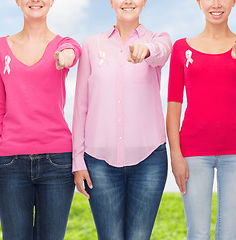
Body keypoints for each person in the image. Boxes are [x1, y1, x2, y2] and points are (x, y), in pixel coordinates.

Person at [0, 0, 81, 239]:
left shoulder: (63, 46)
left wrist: (68, 54)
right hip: (10, 163)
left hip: (57, 163)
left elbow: (73, 49)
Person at [72, 0, 171, 239]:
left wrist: (146, 49)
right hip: (98, 162)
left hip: (149, 160)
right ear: (111, 2)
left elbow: (161, 52)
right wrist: (78, 161)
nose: (128, 1)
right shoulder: (91, 45)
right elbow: (81, 105)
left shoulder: (159, 39)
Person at [166, 0, 236, 239]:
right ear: (199, 3)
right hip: (193, 152)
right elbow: (173, 106)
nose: (216, 4)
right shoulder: (181, 48)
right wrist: (175, 155)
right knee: (197, 233)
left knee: (229, 234)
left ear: (233, 2)